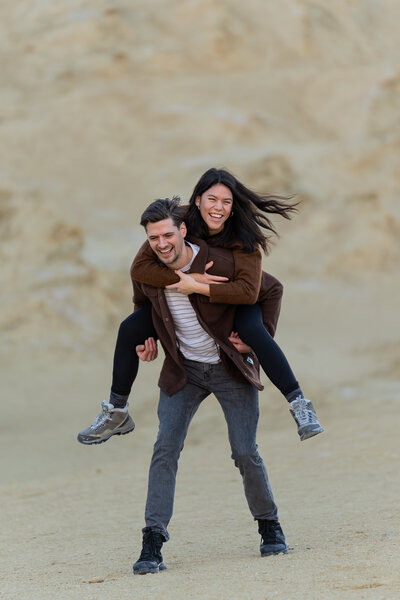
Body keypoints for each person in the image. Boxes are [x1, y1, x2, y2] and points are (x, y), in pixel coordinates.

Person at [77, 168, 323, 445]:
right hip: (195, 300)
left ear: (232, 207)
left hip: (244, 299)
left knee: (252, 331)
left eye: (226, 202)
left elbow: (254, 291)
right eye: (211, 199)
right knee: (128, 328)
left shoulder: (244, 239)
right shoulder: (176, 223)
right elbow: (140, 269)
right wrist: (182, 282)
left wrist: (199, 287)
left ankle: (299, 404)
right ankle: (117, 411)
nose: (218, 208)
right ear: (197, 200)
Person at [130, 198, 288, 574]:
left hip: (229, 368)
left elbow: (270, 288)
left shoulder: (215, 262)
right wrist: (146, 341)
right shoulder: (148, 270)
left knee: (244, 451)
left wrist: (260, 338)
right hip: (183, 371)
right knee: (164, 448)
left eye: (168, 234)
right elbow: (140, 309)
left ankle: (269, 525)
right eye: (154, 238)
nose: (162, 243)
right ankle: (152, 541)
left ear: (183, 229)